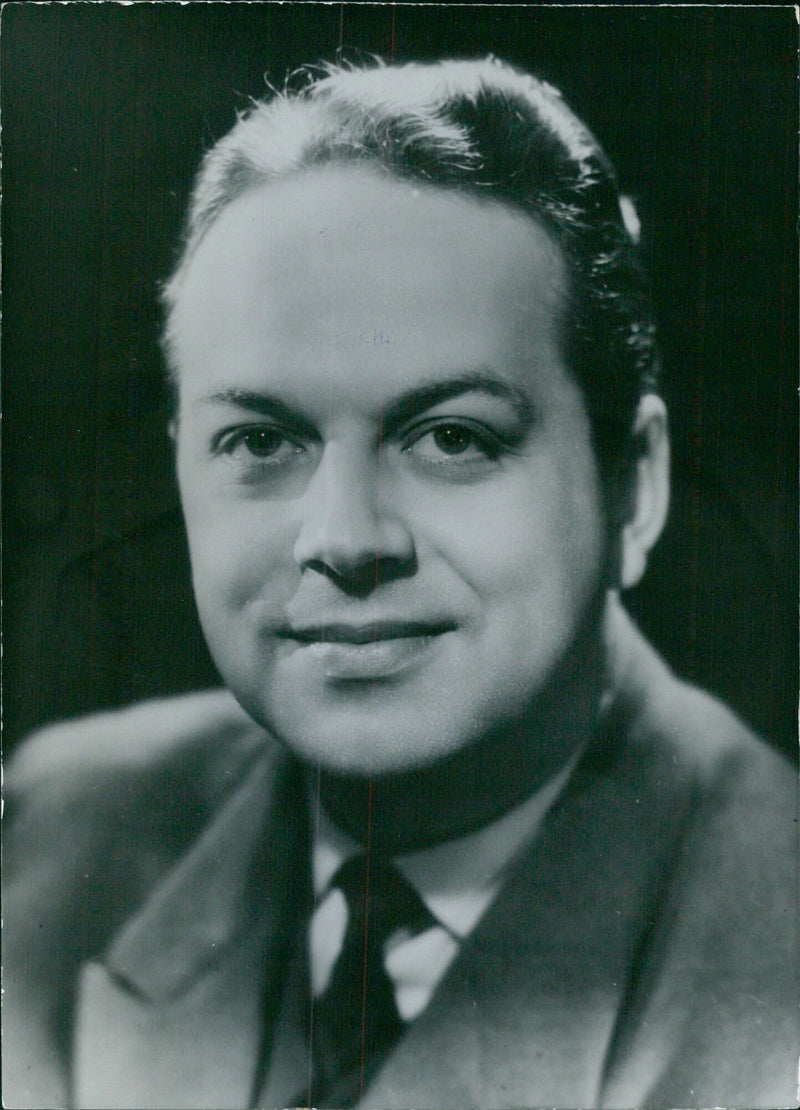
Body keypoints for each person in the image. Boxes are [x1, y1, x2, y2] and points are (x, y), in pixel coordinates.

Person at [4, 57, 796, 1110]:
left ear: (633, 487)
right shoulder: (63, 833)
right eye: (258, 438)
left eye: (452, 437)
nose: (342, 537)